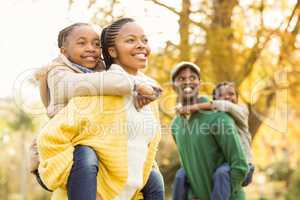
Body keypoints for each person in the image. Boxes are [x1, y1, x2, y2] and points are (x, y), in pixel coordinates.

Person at [36, 18, 164, 200]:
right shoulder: (61, 75)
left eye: (96, 44)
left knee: (154, 177)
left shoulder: (104, 77)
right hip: (69, 146)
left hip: (96, 151)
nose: (91, 48)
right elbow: (51, 138)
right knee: (86, 156)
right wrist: (135, 85)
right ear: (64, 51)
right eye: (82, 43)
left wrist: (145, 88)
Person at [170, 61, 248, 200]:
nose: (188, 81)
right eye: (181, 78)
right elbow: (188, 166)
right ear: (173, 86)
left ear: (199, 83)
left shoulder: (218, 117)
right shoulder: (175, 125)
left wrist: (229, 193)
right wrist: (192, 194)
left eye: (192, 78)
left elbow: (240, 165)